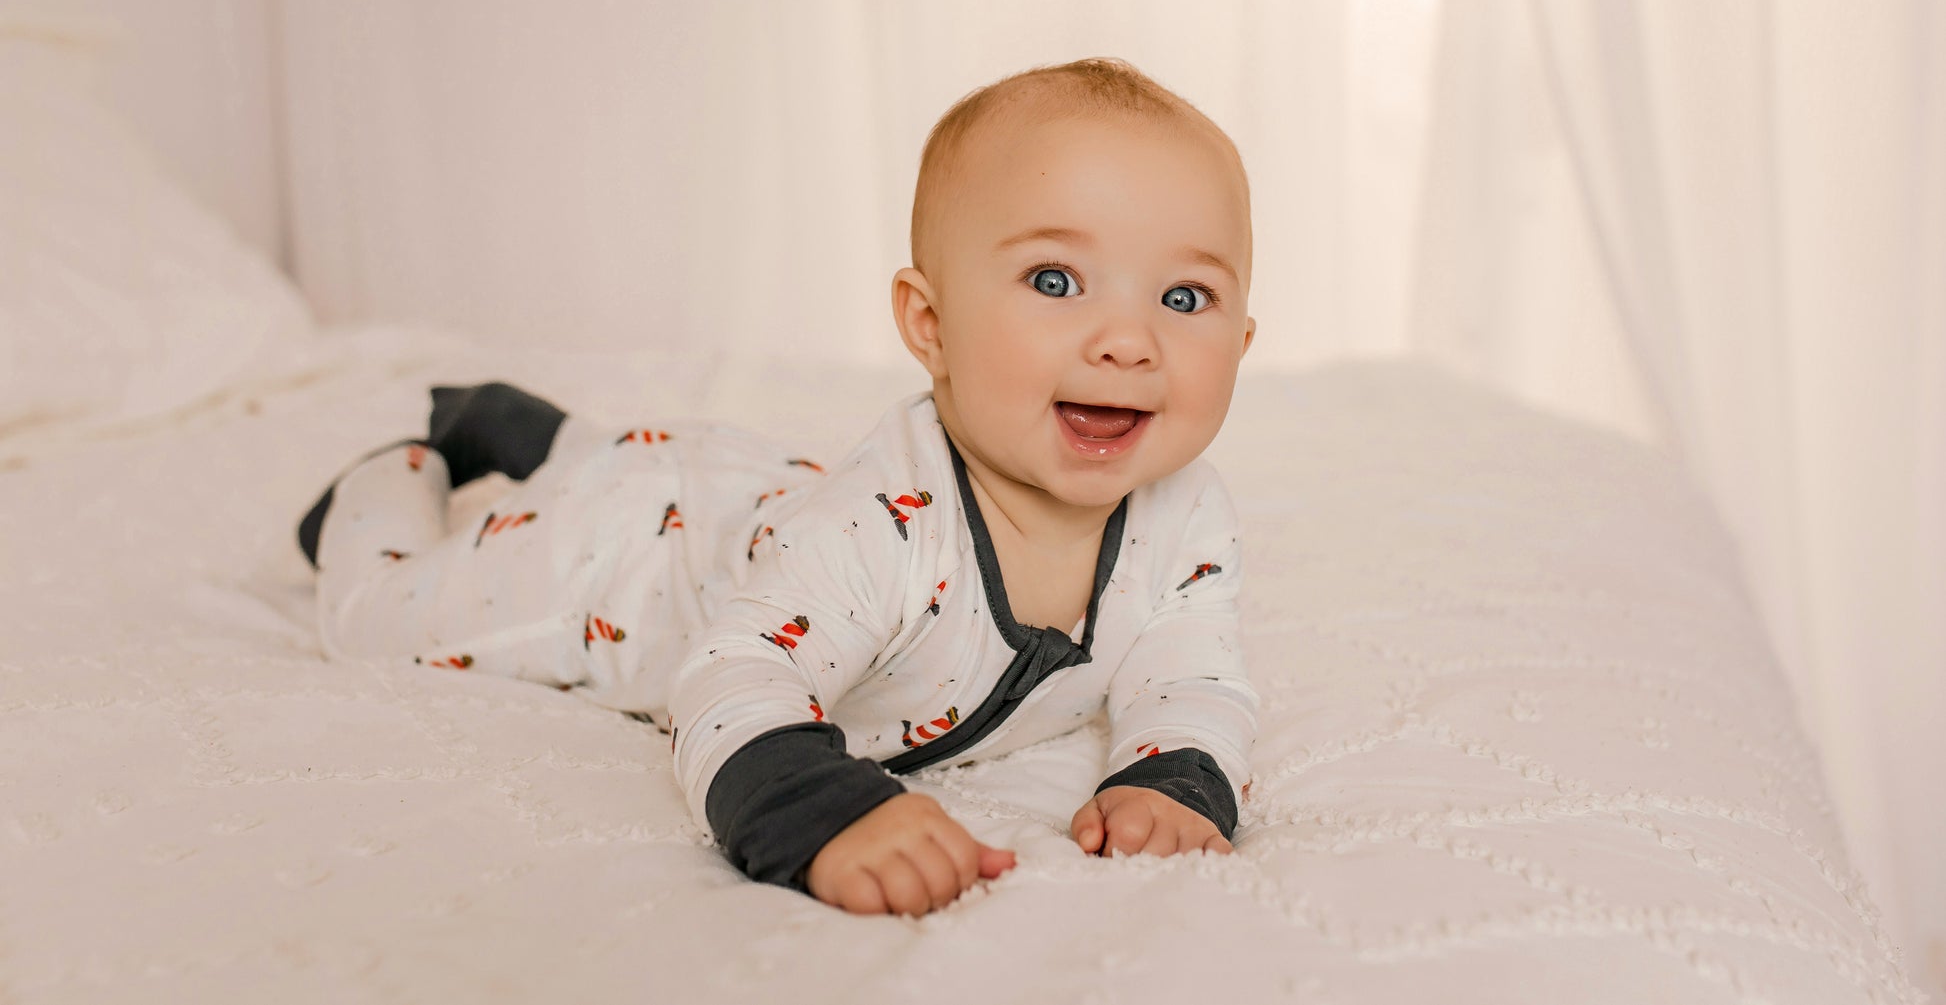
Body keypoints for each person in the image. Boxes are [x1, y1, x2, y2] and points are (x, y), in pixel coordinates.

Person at [297, 57, 1260, 918]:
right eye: (1055, 280)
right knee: (380, 615)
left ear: (1244, 343)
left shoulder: (1186, 512)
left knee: (657, 469)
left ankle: (528, 431)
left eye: (1185, 298)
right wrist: (823, 812)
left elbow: (1191, 671)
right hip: (623, 560)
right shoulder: (876, 531)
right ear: (930, 324)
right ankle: (391, 477)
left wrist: (1175, 777)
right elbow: (735, 672)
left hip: (750, 501)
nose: (1129, 340)